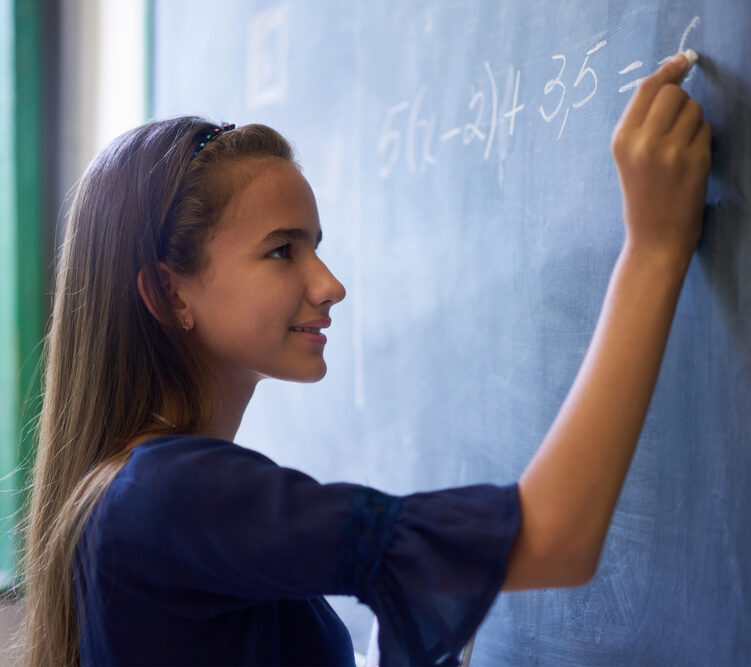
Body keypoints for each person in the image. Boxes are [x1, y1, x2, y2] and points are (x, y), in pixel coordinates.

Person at [19, 51, 709, 666]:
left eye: (315, 245)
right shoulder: (171, 493)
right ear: (169, 291)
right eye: (282, 250)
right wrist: (653, 249)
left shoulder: (132, 492)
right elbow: (556, 536)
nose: (330, 284)